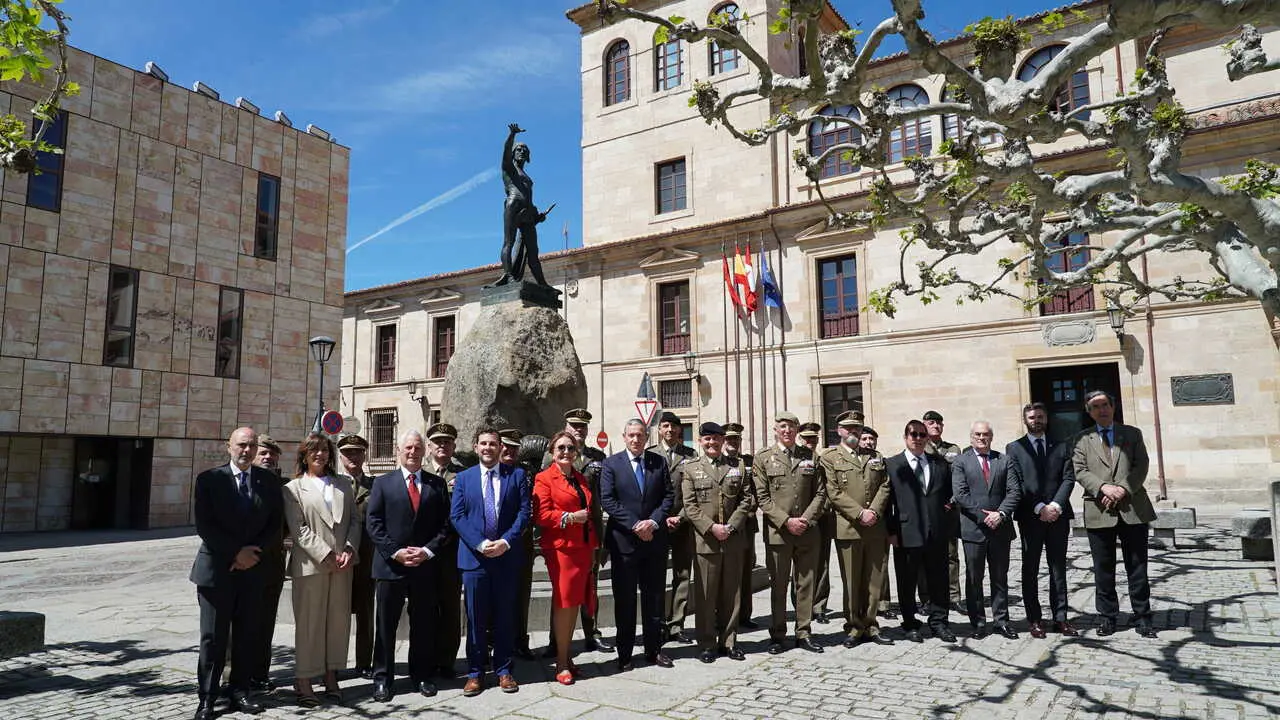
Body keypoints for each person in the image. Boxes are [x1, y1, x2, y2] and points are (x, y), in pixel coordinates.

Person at [190, 427, 283, 720]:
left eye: (252, 446)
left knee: (247, 635)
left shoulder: (268, 481)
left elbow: (274, 525)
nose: (247, 450)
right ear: (228, 447)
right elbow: (205, 525)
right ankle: (207, 697)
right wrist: (235, 554)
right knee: (213, 639)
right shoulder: (209, 480)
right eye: (242, 445)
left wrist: (251, 555)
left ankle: (240, 690)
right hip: (216, 572)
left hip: (253, 571)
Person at [365, 430, 453, 702]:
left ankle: (422, 675)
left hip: (424, 567)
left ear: (424, 450)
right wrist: (396, 552)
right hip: (391, 567)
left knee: (424, 624)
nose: (413, 452)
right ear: (397, 450)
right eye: (408, 448)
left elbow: (445, 525)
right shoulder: (382, 483)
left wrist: (427, 551)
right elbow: (374, 524)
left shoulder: (436, 484)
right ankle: (383, 679)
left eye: (417, 447)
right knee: (385, 625)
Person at [451, 427, 532, 696]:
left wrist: (506, 542)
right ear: (475, 447)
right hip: (475, 559)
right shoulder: (463, 479)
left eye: (492, 444)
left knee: (505, 616)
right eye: (483, 443)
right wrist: (482, 544)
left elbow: (523, 513)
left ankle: (504, 670)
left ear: (500, 448)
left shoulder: (517, 476)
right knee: (475, 618)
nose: (488, 448)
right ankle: (475, 673)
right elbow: (457, 516)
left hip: (506, 558)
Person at [282, 432, 360, 707]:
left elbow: (354, 522)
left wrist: (349, 549)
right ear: (304, 455)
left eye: (325, 450)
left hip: (342, 566)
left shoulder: (343, 485)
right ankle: (303, 679)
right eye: (314, 450)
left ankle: (331, 675)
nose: (320, 455)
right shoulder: (293, 489)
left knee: (337, 623)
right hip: (310, 566)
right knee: (309, 625)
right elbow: (298, 529)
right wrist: (326, 554)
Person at [1073, 390, 1157, 638]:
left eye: (1105, 405)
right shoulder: (1081, 439)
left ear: (1113, 406)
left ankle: (1142, 616)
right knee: (1103, 568)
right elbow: (1080, 470)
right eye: (1095, 406)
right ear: (1089, 412)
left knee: (1137, 566)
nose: (1102, 410)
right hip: (1099, 509)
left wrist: (1122, 488)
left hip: (1132, 508)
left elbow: (1141, 465)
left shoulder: (1131, 434)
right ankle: (1107, 616)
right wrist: (1103, 488)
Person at [600, 418, 676, 671]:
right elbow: (608, 501)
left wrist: (652, 523)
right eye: (631, 435)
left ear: (647, 437)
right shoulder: (611, 464)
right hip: (624, 544)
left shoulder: (658, 462)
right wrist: (636, 525)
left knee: (654, 598)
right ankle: (624, 653)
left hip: (653, 541)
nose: (635, 439)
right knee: (625, 600)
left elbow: (668, 497)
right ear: (624, 436)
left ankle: (654, 650)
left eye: (640, 435)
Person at [678, 422, 755, 663]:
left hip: (733, 539)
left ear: (723, 441)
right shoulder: (691, 468)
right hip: (706, 542)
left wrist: (730, 526)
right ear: (700, 442)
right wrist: (712, 528)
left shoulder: (738, 466)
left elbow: (746, 500)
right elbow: (689, 505)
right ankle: (707, 644)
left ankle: (729, 641)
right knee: (706, 595)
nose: (711, 443)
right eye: (707, 439)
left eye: (716, 439)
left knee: (731, 594)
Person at [753, 411, 827, 655]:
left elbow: (821, 493)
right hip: (779, 533)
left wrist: (805, 520)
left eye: (792, 427)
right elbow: (762, 498)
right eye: (783, 426)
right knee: (779, 586)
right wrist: (786, 521)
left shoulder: (810, 457)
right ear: (775, 429)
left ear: (797, 431)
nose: (787, 431)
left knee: (805, 584)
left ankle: (803, 632)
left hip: (807, 532)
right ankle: (777, 634)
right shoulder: (763, 458)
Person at [542, 408, 613, 658]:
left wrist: (600, 540)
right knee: (562, 589)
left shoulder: (597, 457)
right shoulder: (552, 456)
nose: (578, 430)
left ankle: (592, 633)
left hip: (590, 530)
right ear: (566, 427)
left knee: (590, 586)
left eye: (582, 426)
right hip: (564, 535)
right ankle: (556, 640)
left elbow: (600, 501)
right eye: (574, 425)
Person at [820, 411, 894, 647]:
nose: (853, 431)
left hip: (874, 527)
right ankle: (853, 626)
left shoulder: (875, 456)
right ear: (839, 430)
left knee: (875, 579)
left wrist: (873, 511)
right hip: (849, 527)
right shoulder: (830, 457)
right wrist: (859, 513)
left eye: (857, 428)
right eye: (848, 428)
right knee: (852, 581)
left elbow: (885, 485)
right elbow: (832, 491)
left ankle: (871, 625)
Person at [533, 431, 601, 684]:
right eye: (560, 448)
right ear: (552, 452)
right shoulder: (544, 478)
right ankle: (561, 662)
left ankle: (567, 655)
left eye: (570, 448)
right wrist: (570, 518)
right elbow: (542, 515)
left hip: (582, 548)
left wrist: (594, 548)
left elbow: (591, 514)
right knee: (565, 601)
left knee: (574, 603)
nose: (566, 452)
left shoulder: (580, 478)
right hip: (562, 549)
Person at [1006, 403, 1078, 638]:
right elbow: (1017, 482)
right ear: (1024, 420)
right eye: (1031, 417)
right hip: (1030, 516)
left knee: (1058, 568)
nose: (1035, 420)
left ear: (1046, 419)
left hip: (1058, 515)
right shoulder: (1015, 448)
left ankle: (1061, 618)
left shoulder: (1062, 445)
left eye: (1039, 416)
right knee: (1031, 569)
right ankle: (1034, 619)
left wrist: (1055, 505)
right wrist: (1039, 507)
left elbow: (1068, 478)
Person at [886, 420, 957, 644]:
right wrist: (891, 531)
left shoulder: (939, 463)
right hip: (906, 532)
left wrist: (946, 516)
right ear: (905, 437)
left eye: (921, 434)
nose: (917, 438)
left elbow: (949, 494)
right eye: (913, 434)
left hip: (936, 531)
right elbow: (887, 502)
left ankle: (939, 622)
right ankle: (909, 623)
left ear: (927, 437)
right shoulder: (893, 464)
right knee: (907, 580)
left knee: (939, 579)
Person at [951, 421, 1020, 639]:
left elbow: (1014, 491)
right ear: (971, 437)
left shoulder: (1004, 460)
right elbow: (961, 494)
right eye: (978, 434)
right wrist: (984, 517)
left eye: (986, 434)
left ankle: (1001, 621)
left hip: (1001, 528)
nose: (982, 438)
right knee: (974, 578)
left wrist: (1000, 514)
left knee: (1000, 577)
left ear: (992, 437)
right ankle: (978, 622)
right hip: (974, 529)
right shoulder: (961, 461)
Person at [649, 411, 697, 644]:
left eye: (674, 426)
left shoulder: (691, 455)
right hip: (656, 524)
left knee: (682, 574)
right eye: (665, 426)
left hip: (683, 523)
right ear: (659, 430)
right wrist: (659, 518)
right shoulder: (649, 455)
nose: (669, 430)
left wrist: (681, 516)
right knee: (655, 575)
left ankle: (676, 624)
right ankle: (657, 623)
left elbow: (696, 492)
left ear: (680, 430)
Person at [423, 422, 466, 678]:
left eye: (447, 442)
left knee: (450, 608)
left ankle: (447, 661)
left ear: (454, 446)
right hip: (425, 551)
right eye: (437, 442)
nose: (442, 445)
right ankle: (426, 658)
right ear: (429, 446)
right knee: (425, 607)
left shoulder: (463, 474)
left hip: (452, 552)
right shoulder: (418, 471)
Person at [248, 434, 287, 694]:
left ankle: (260, 674)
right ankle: (232, 677)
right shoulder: (239, 482)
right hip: (244, 564)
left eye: (272, 454)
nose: (268, 457)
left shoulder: (284, 486)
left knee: (265, 623)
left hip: (273, 564)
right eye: (263, 452)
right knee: (237, 624)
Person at [492, 123, 552, 287]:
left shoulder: (526, 175)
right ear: (513, 153)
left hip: (528, 211)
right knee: (508, 242)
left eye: (525, 150)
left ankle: (542, 283)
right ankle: (508, 275)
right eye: (518, 149)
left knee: (533, 251)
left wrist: (537, 216)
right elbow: (505, 152)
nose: (522, 151)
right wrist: (512, 135)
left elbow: (529, 197)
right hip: (513, 205)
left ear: (528, 156)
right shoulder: (508, 168)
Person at [338, 434, 377, 679]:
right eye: (348, 452)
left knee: (365, 614)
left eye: (358, 452)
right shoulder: (331, 485)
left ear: (365, 455)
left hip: (367, 559)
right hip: (338, 560)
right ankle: (334, 663)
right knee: (336, 615)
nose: (353, 457)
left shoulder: (376, 485)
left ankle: (364, 663)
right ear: (340, 456)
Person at [498, 428, 538, 661]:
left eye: (514, 447)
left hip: (521, 543)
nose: (510, 451)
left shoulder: (525, 474)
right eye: (506, 446)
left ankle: (520, 641)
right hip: (494, 544)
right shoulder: (487, 472)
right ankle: (493, 641)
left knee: (521, 594)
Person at [922, 410, 964, 614]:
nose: (936, 426)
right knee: (927, 555)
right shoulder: (920, 446)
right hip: (928, 510)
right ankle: (928, 597)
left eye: (939, 423)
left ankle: (953, 595)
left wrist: (953, 500)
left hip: (949, 509)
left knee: (951, 554)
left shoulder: (953, 449)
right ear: (924, 425)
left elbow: (960, 478)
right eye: (931, 422)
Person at [722, 422, 759, 629]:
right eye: (729, 439)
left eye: (735, 439)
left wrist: (748, 510)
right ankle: (723, 614)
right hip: (723, 524)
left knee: (746, 571)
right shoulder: (717, 461)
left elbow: (758, 491)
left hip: (747, 524)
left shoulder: (749, 462)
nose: (732, 442)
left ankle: (744, 614)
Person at [799, 421, 834, 625]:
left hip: (822, 519)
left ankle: (819, 606)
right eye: (806, 438)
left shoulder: (824, 460)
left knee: (822, 563)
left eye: (814, 438)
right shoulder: (796, 460)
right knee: (800, 567)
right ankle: (801, 604)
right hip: (801, 519)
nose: (810, 442)